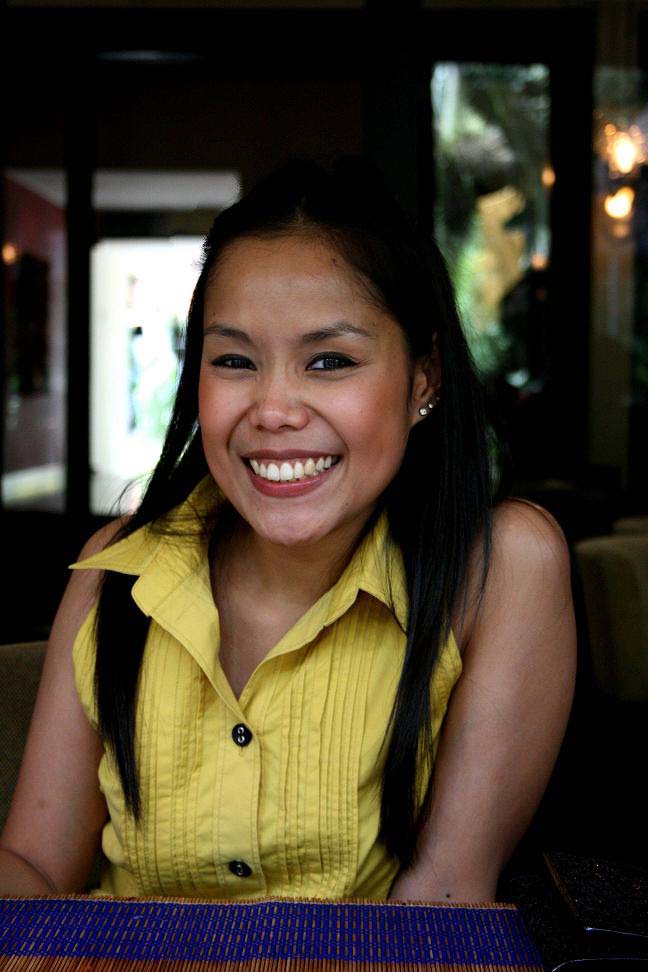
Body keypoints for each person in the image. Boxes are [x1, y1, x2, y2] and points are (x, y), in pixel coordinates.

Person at [0, 157, 576, 901]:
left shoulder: (498, 573)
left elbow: (442, 903)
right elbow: (36, 873)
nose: (272, 410)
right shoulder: (117, 574)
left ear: (424, 378)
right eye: (235, 360)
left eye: (329, 361)